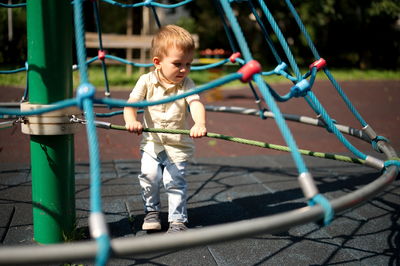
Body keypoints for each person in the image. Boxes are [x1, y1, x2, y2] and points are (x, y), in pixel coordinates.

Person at [123, 25, 207, 233]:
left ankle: (177, 220)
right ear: (158, 63)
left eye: (188, 64)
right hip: (152, 144)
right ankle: (151, 211)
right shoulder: (146, 81)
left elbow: (195, 104)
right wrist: (131, 120)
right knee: (149, 176)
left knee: (174, 181)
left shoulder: (186, 84)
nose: (184, 69)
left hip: (177, 145)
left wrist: (200, 123)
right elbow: (131, 103)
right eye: (178, 64)